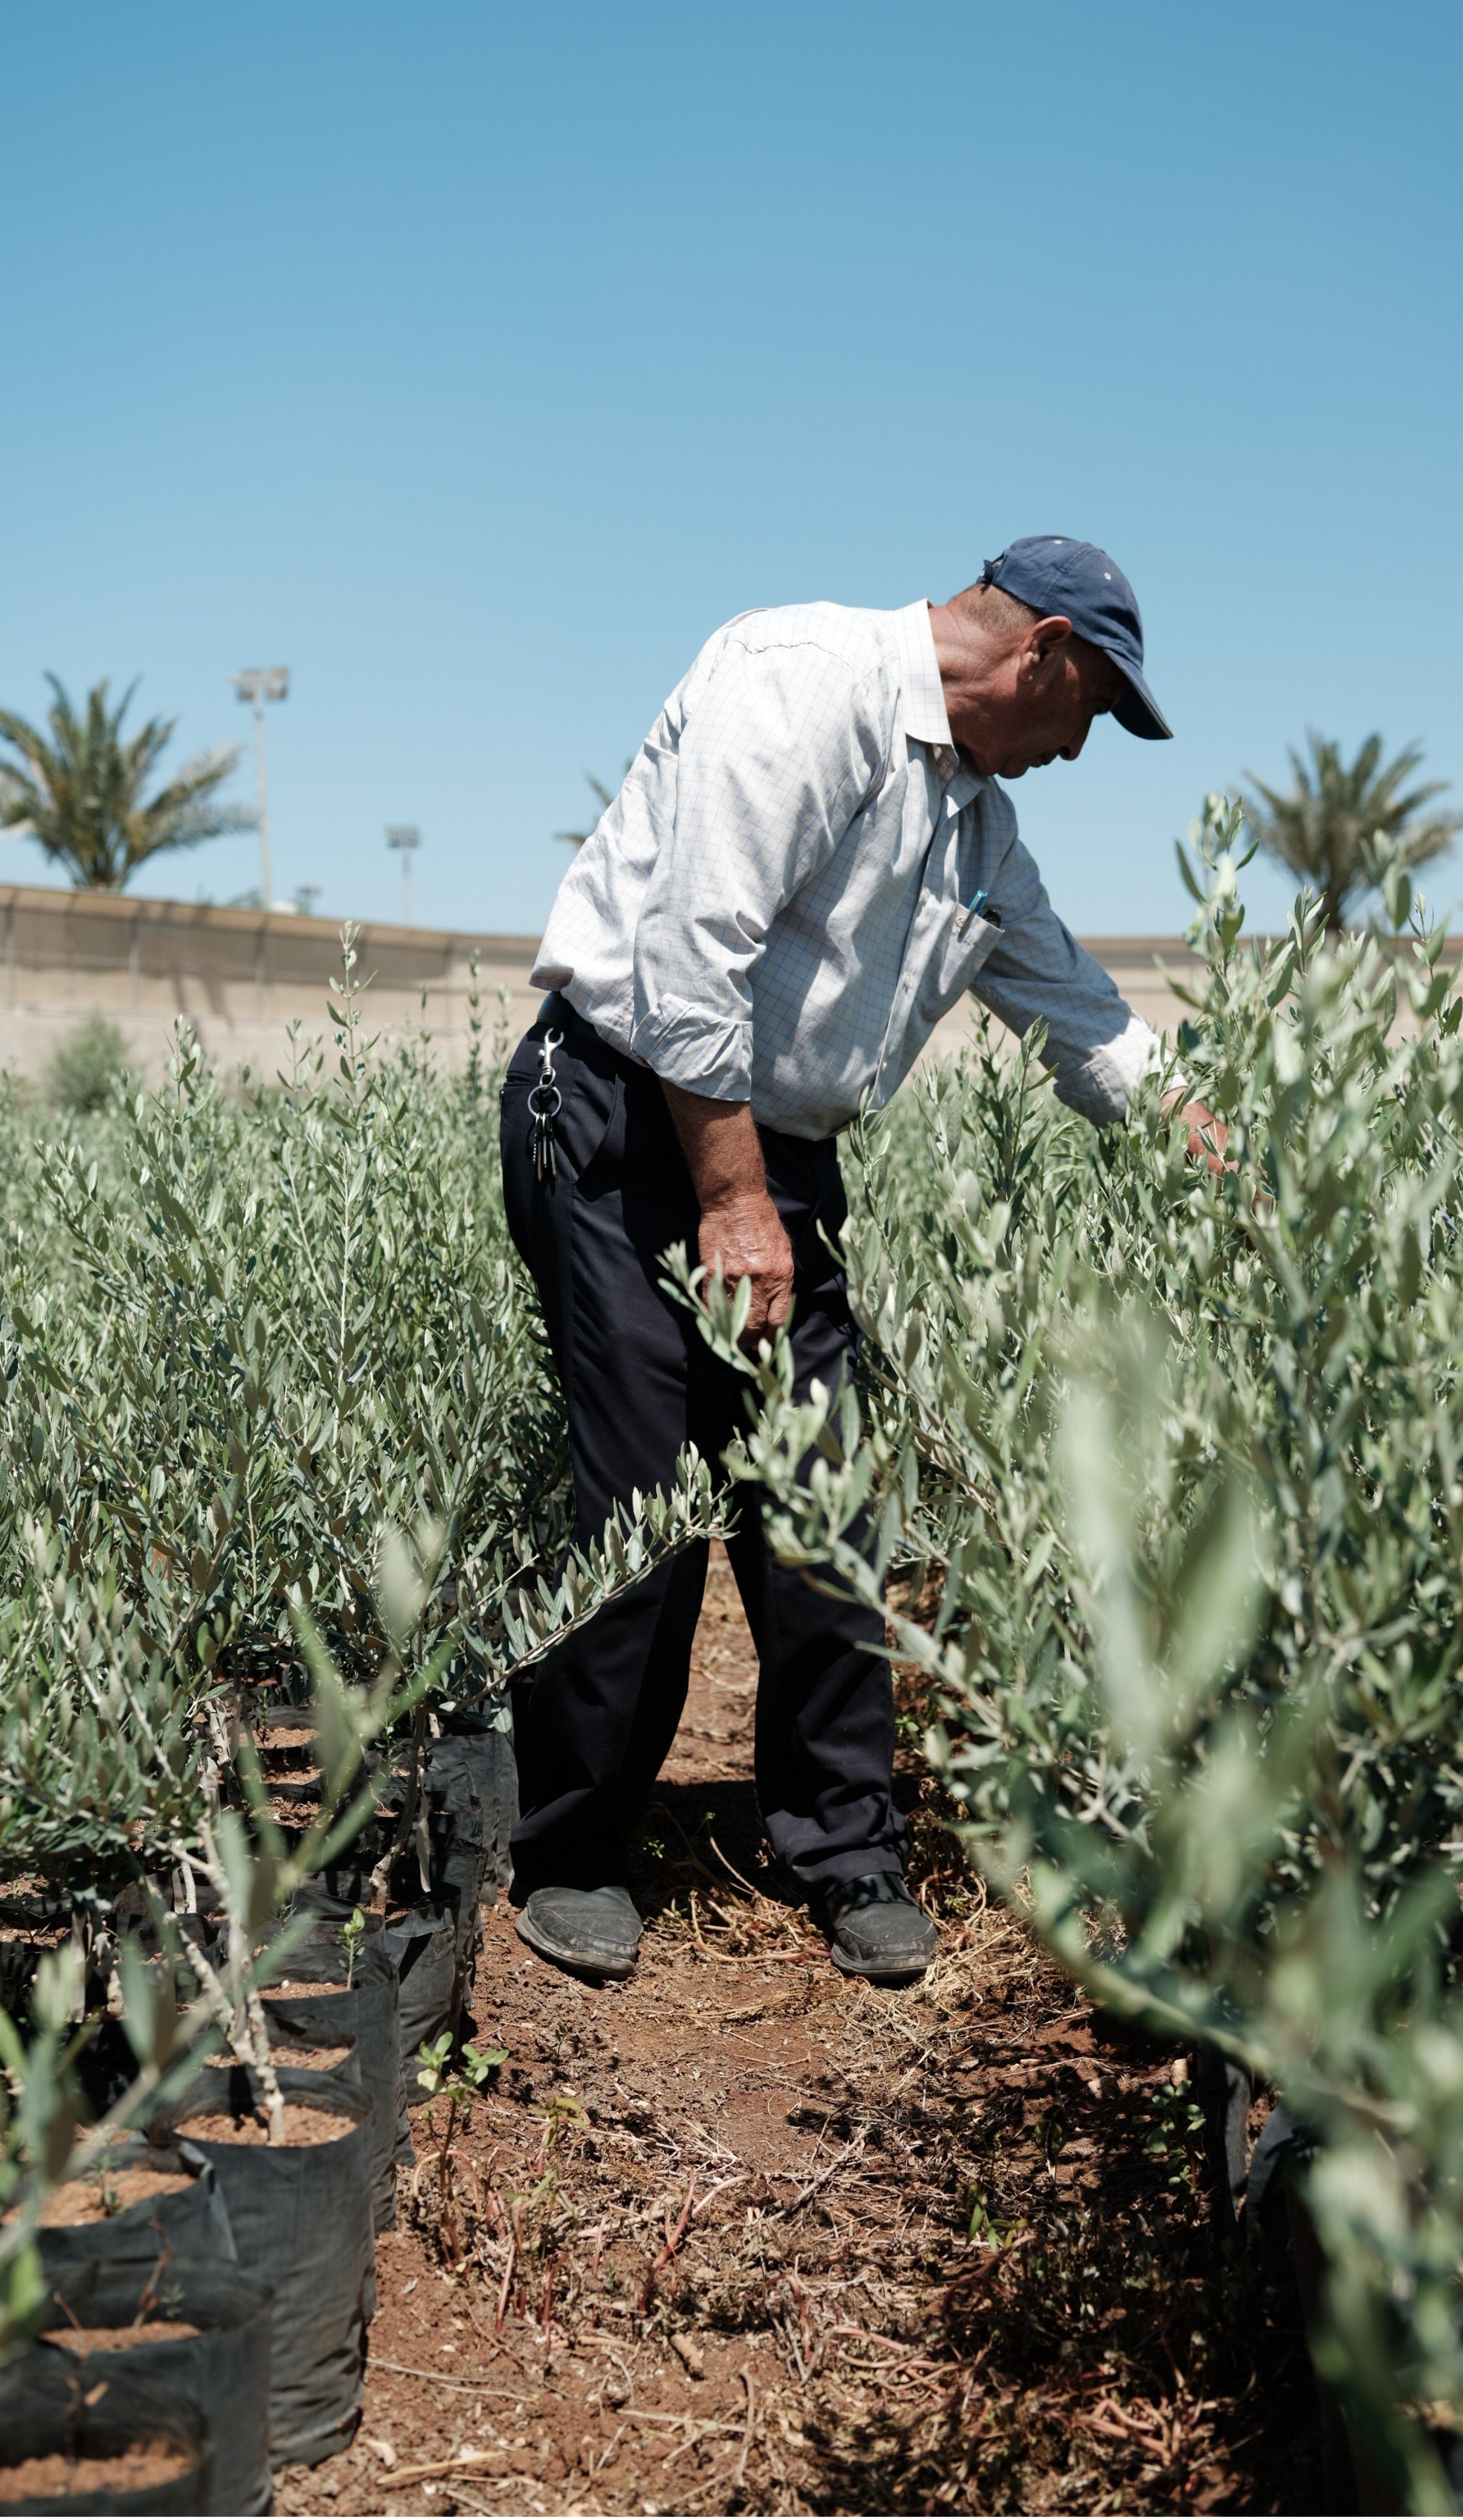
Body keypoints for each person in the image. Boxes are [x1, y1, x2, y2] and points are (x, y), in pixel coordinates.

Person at [499, 536, 1222, 1988]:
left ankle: (845, 1849)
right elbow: (690, 951)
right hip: (629, 1116)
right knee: (648, 1493)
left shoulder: (975, 829)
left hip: (774, 1157)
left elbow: (1080, 1014)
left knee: (824, 1498)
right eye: (1089, 713)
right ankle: (576, 1852)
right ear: (1046, 653)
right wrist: (732, 1198)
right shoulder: (799, 681)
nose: (1078, 750)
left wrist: (1225, 1157)